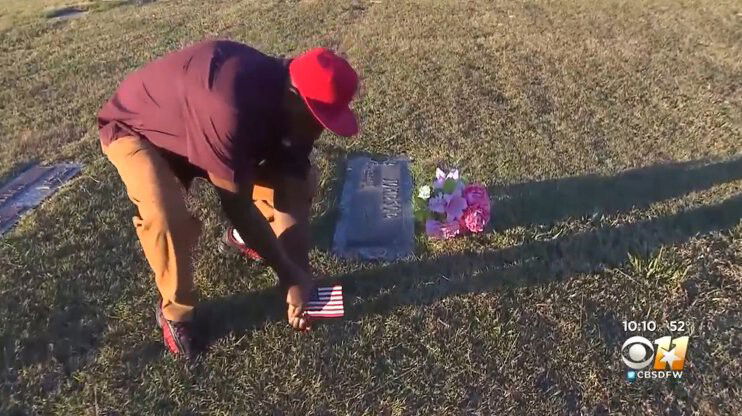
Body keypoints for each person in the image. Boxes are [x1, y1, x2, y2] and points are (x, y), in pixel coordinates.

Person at [98, 40, 359, 357]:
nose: (321, 129)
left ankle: (243, 241)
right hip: (141, 130)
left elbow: (291, 183)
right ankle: (175, 313)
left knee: (300, 181)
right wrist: (287, 275)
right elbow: (237, 205)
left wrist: (299, 274)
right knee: (165, 214)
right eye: (319, 118)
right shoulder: (230, 106)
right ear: (295, 98)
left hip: (202, 128)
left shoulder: (289, 103)